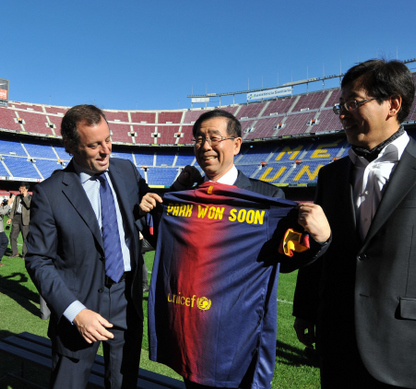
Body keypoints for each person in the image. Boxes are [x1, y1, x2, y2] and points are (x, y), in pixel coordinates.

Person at [141, 109, 329, 389]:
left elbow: (284, 262)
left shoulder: (266, 198)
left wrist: (321, 239)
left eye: (214, 138)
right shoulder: (183, 199)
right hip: (189, 336)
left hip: (236, 338)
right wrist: (155, 211)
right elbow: (169, 249)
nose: (205, 146)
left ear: (237, 144)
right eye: (199, 139)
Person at [292, 59, 416, 388]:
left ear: (393, 104)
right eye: (340, 105)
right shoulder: (330, 176)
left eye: (352, 103)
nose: (342, 113)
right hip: (338, 338)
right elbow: (319, 246)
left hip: (412, 347)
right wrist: (305, 308)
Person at [25, 104, 152, 389]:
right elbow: (37, 260)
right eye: (94, 145)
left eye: (108, 140)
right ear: (70, 146)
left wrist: (144, 206)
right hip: (78, 303)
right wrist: (75, 312)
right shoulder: (50, 192)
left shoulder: (126, 171)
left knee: (123, 382)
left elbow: (140, 202)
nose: (106, 150)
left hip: (125, 297)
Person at [7, 181, 31, 258]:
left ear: (27, 189)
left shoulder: (30, 197)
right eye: (20, 188)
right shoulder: (17, 197)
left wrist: (25, 196)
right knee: (13, 236)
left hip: (25, 219)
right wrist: (10, 218)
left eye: (22, 188)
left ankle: (24, 254)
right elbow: (14, 208)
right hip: (16, 217)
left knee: (25, 237)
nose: (20, 190)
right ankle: (14, 253)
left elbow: (28, 205)